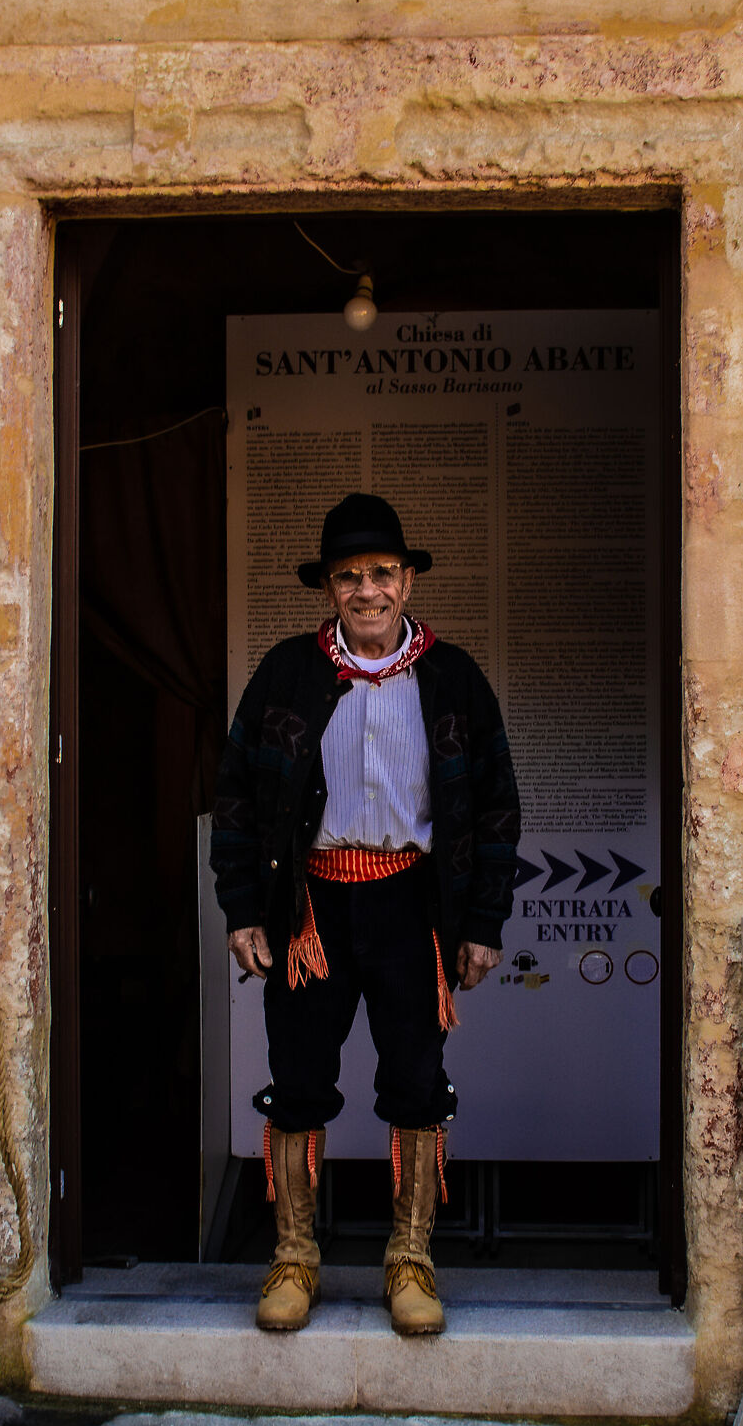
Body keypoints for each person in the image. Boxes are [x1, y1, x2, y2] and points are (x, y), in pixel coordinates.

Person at [211, 493, 521, 1338]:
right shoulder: (286, 671)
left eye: (383, 573)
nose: (368, 590)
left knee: (417, 1079)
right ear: (330, 589)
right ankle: (294, 1257)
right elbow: (236, 796)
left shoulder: (453, 677)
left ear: (408, 579)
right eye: (349, 576)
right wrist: (243, 907)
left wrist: (483, 921)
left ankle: (410, 1259)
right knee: (299, 1079)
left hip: (411, 906)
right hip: (309, 909)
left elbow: (495, 804)